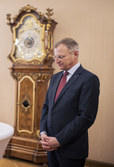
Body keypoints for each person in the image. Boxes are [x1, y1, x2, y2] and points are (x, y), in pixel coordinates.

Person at [39, 37, 100, 167]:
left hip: (71, 149)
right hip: (50, 147)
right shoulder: (55, 78)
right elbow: (46, 108)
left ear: (75, 54)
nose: (57, 61)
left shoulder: (89, 79)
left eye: (61, 56)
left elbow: (85, 117)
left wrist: (59, 140)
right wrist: (43, 132)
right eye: (55, 57)